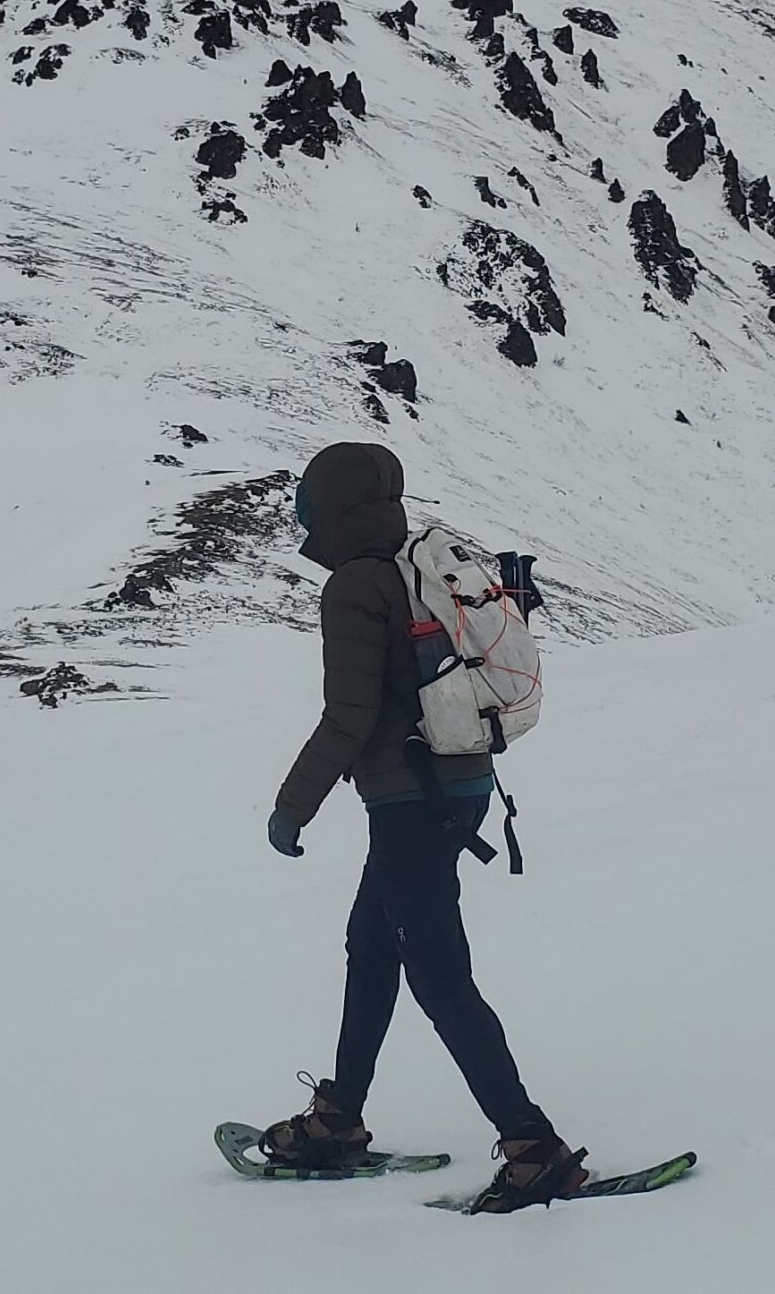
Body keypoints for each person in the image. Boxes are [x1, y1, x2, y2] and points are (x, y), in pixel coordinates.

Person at [259, 441, 586, 1212]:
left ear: (329, 510)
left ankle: (532, 1147)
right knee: (373, 947)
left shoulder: (354, 586)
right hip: (461, 786)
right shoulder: (417, 565)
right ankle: (340, 1117)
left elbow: (350, 714)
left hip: (412, 800)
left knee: (437, 972)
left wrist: (290, 805)